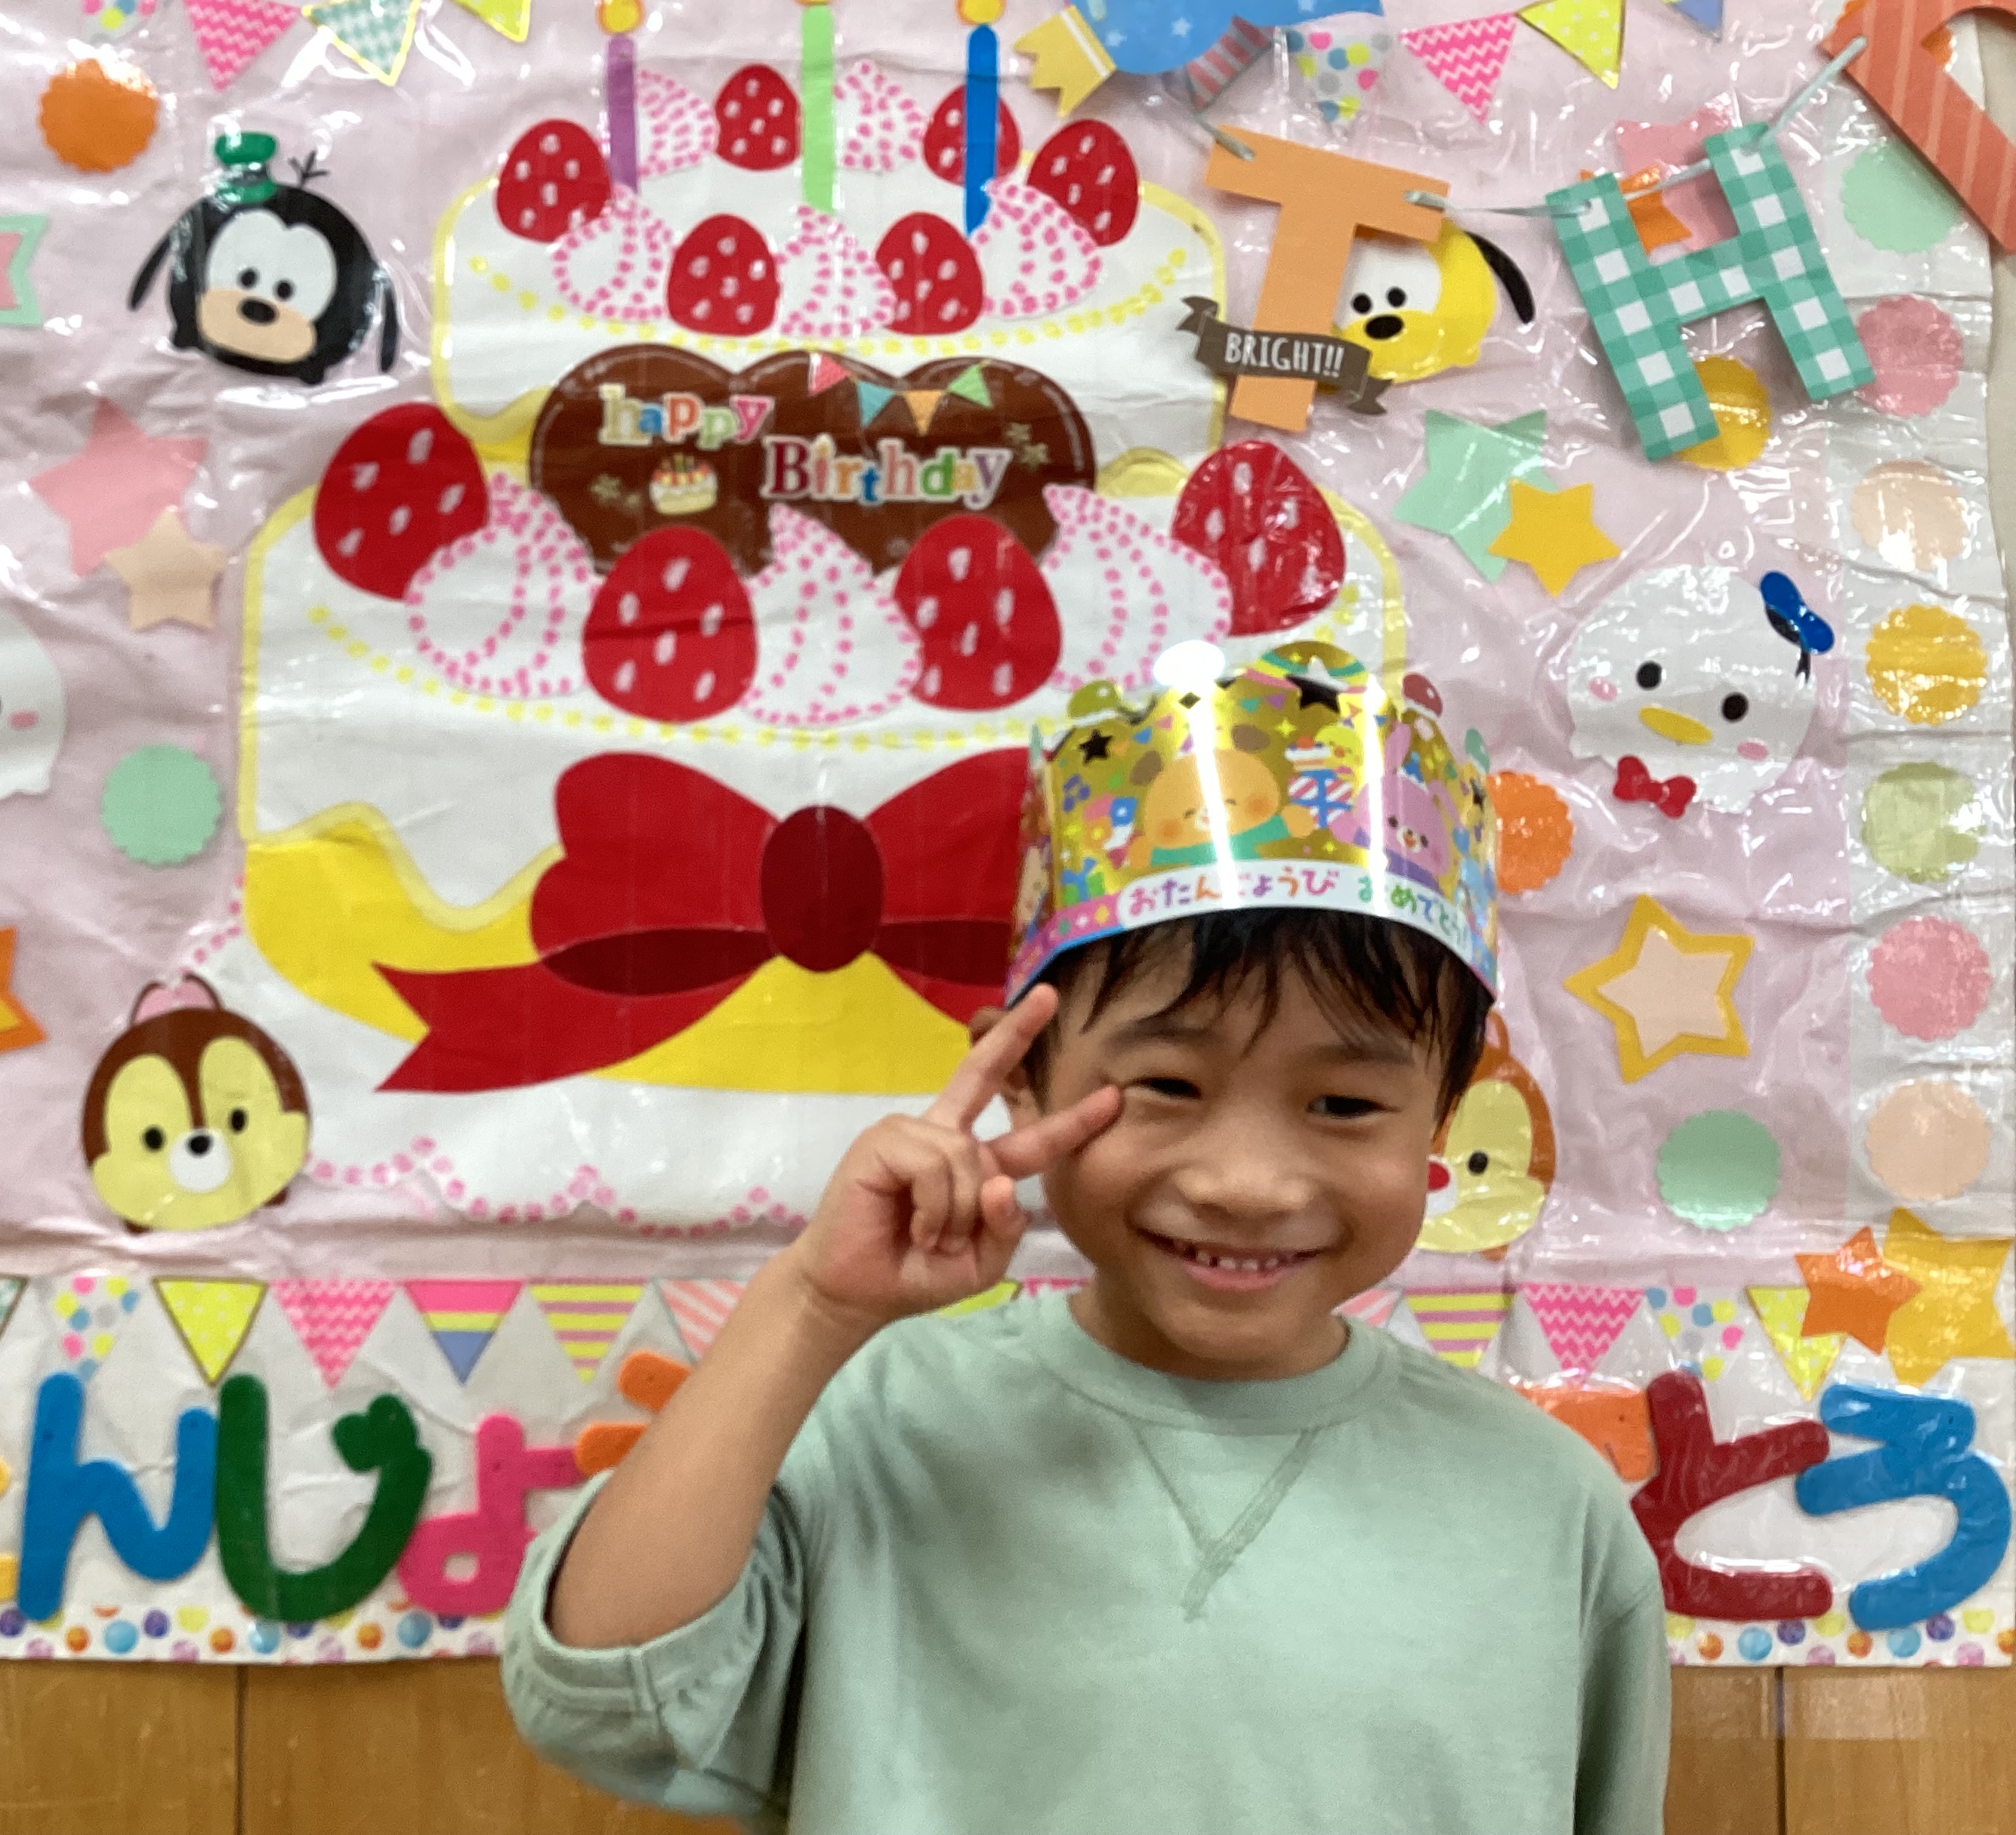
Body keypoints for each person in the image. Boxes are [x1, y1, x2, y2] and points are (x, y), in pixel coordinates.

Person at [501, 646, 1670, 1834]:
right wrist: (812, 1306)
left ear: (1447, 1116)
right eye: (1168, 1084)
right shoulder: (882, 1425)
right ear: (1020, 1076)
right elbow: (605, 1698)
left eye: (1345, 1103)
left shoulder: (1548, 1505)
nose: (1247, 1185)